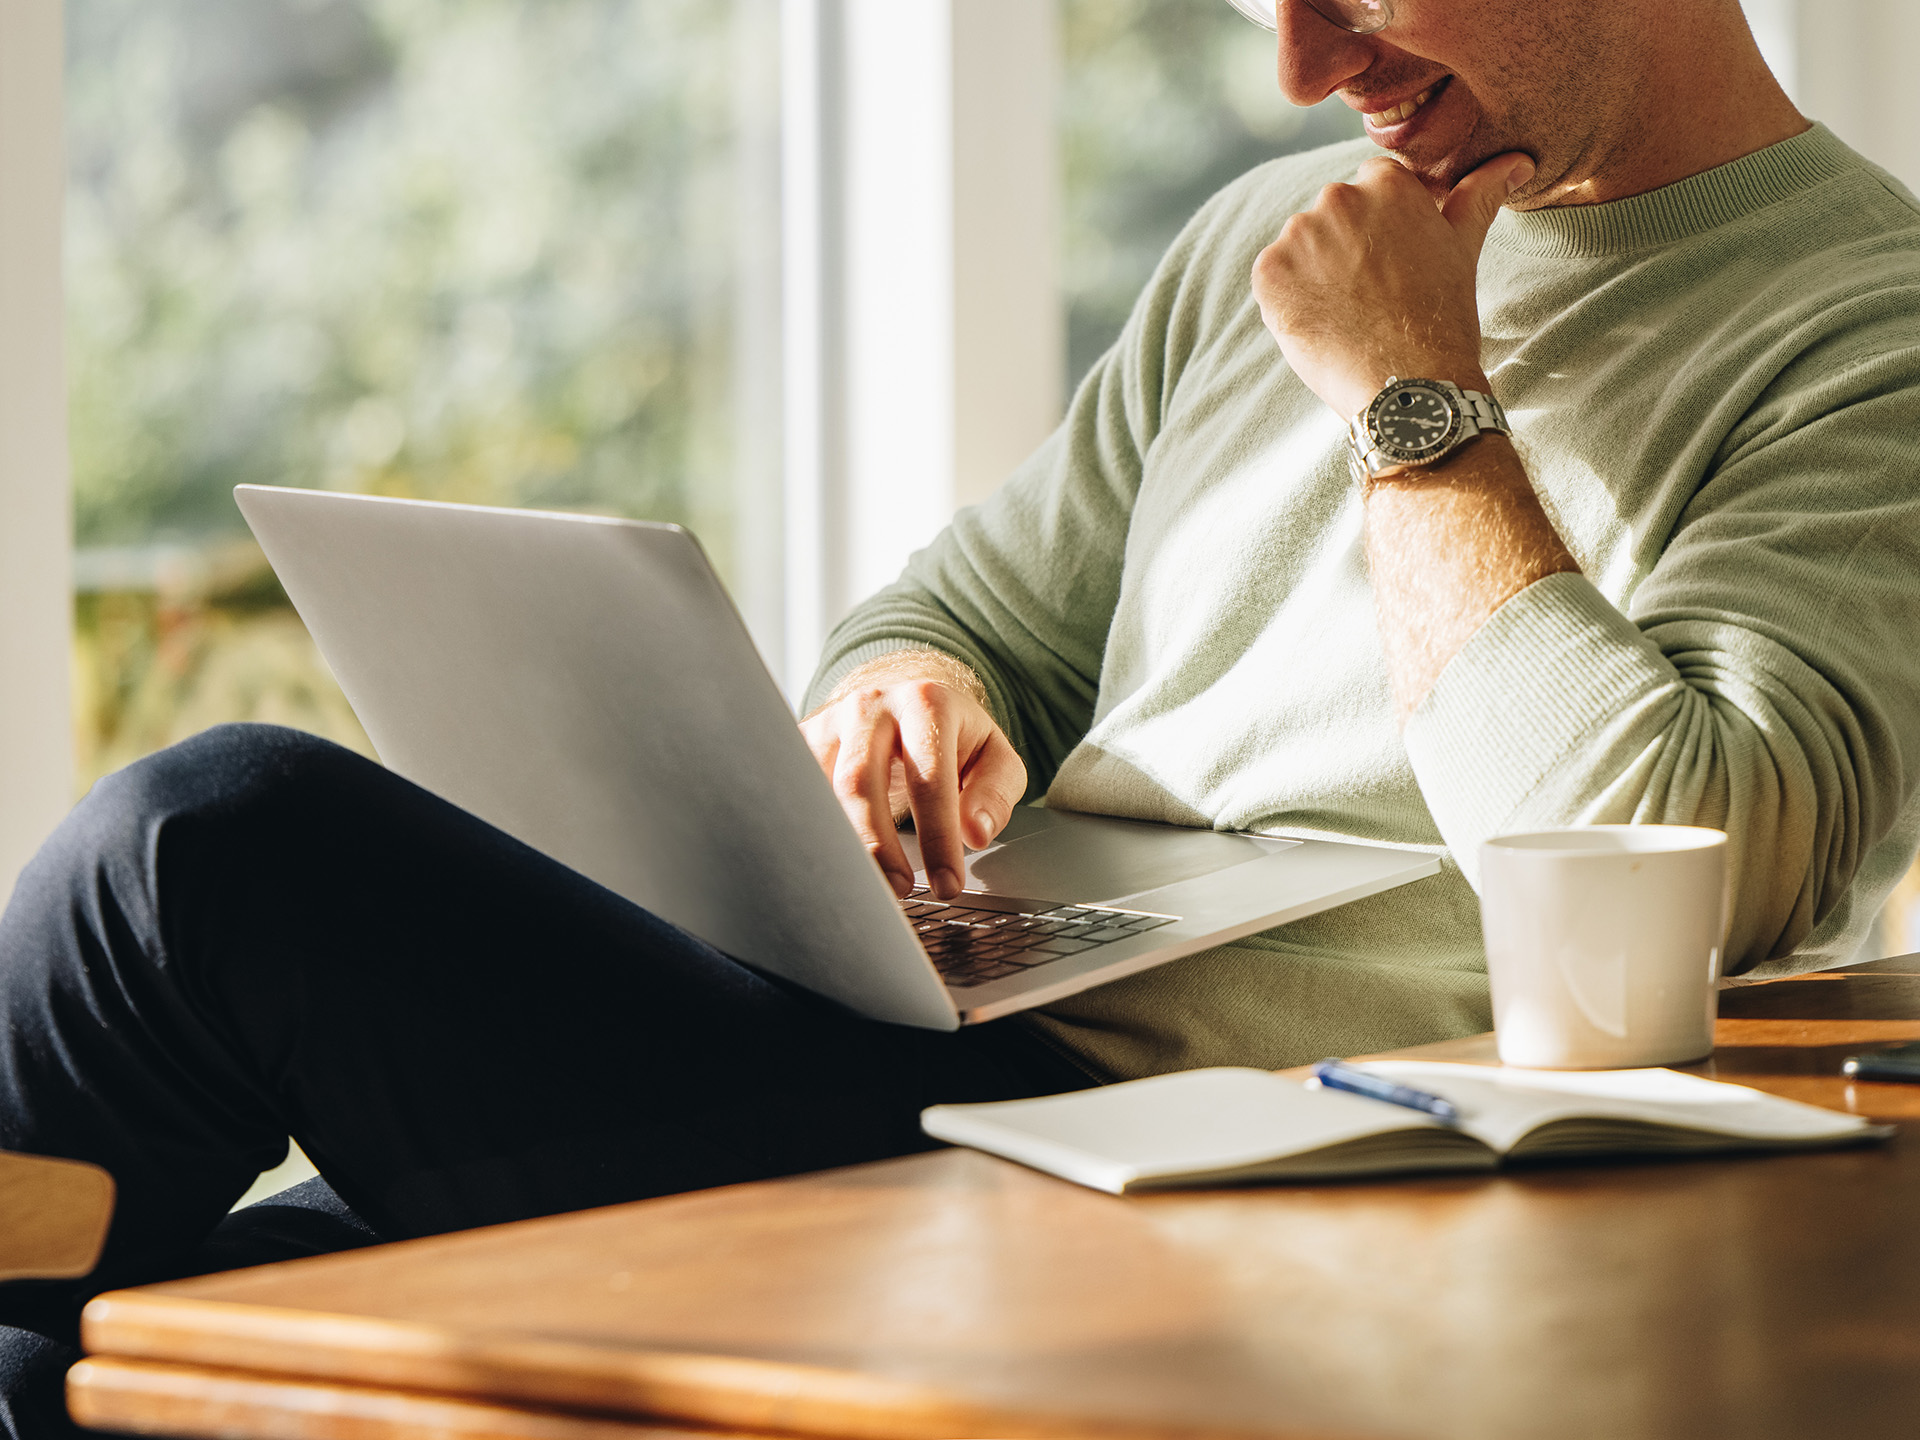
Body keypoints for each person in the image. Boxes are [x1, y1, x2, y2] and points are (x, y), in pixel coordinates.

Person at [5, 0, 1920, 1432]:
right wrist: (899, 693)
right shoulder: (1273, 237)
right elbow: (963, 612)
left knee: (206, 851)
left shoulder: (1864, 328)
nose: (1301, 69)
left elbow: (1679, 859)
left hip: (1210, 1167)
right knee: (120, 1335)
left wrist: (1412, 398)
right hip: (917, 1045)